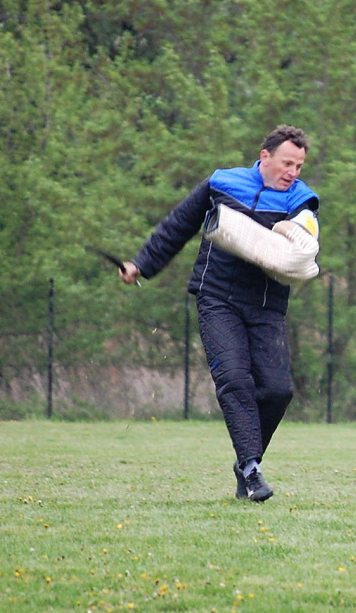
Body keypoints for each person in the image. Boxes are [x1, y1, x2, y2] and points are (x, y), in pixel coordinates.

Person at [120, 124, 319, 502]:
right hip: (217, 298)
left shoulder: (302, 200)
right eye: (287, 163)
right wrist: (141, 265)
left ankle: (248, 459)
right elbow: (178, 225)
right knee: (234, 379)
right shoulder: (222, 184)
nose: (293, 172)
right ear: (265, 157)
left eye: (299, 166)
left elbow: (306, 242)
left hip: (267, 305)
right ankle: (251, 468)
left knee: (279, 390)